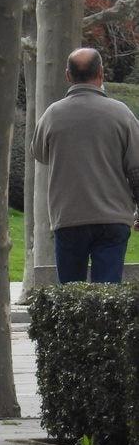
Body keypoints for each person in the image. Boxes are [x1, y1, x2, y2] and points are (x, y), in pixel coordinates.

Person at [30, 47, 139, 283]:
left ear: (68, 75)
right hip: (113, 217)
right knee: (106, 297)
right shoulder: (122, 114)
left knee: (71, 294)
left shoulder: (51, 115)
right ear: (101, 73)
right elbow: (136, 169)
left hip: (68, 216)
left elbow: (39, 154)